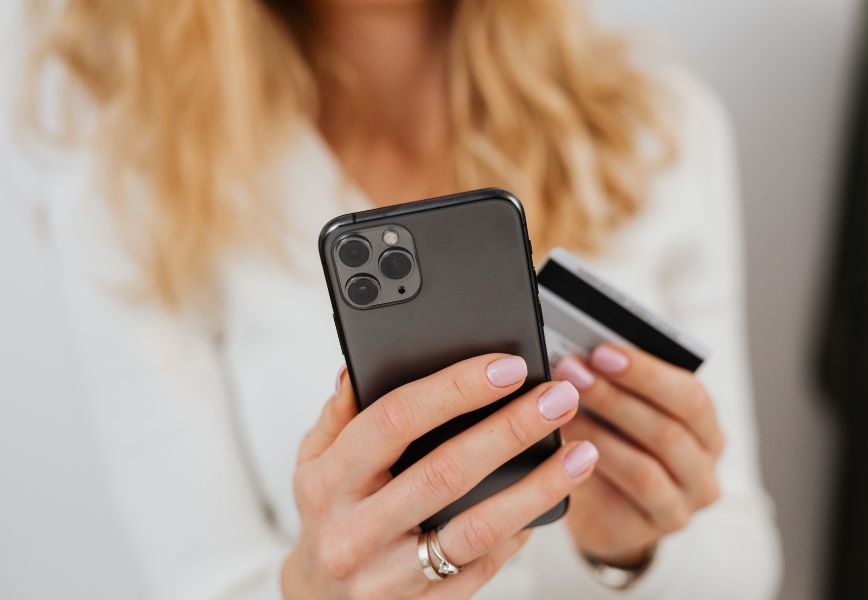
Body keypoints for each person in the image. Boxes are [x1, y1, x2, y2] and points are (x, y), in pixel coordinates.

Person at [31, 0, 781, 598]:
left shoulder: (662, 128)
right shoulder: (132, 176)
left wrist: (628, 553)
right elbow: (202, 582)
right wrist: (313, 591)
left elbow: (743, 568)